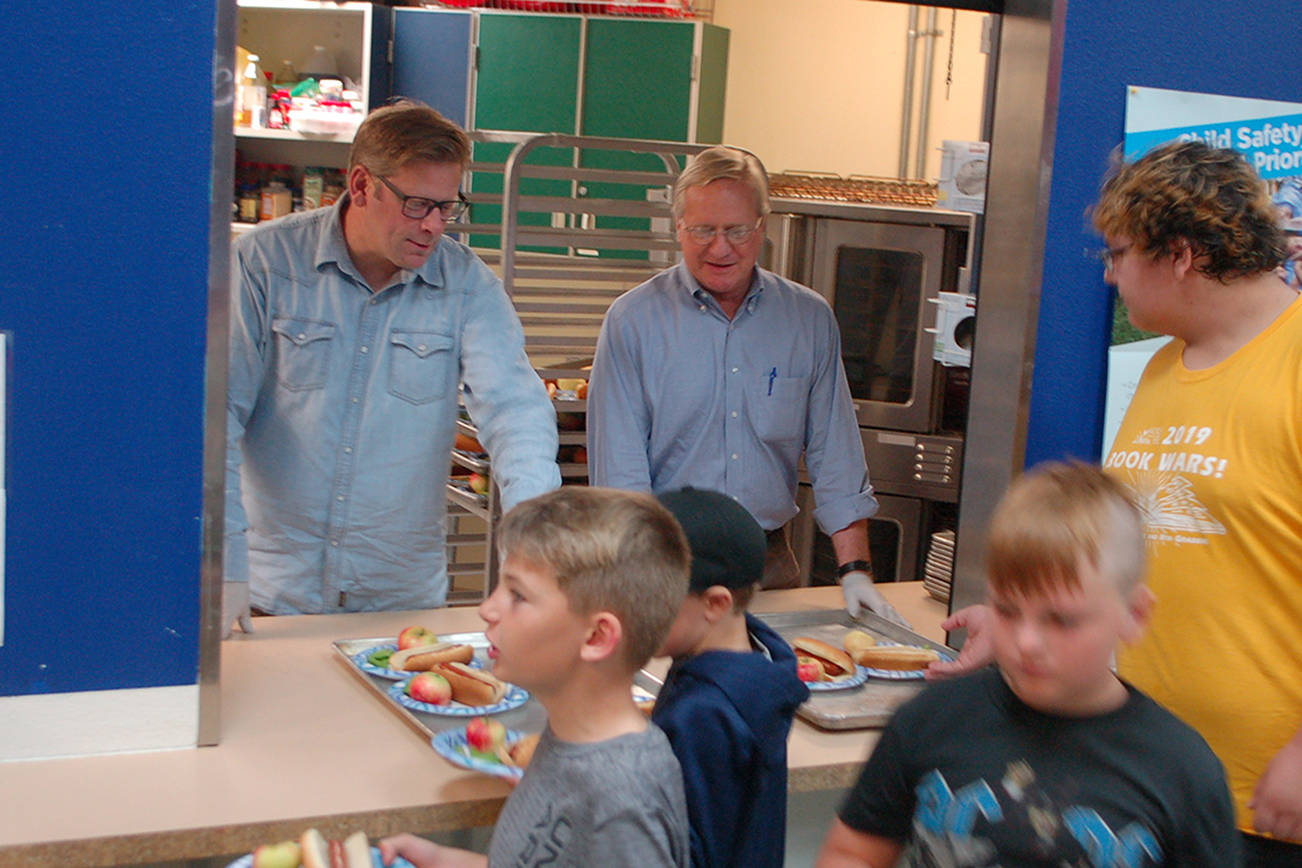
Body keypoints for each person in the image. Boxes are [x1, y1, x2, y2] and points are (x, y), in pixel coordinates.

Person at [935, 141, 1302, 865]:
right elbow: (1124, 552)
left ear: (1182, 255)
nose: (1108, 273)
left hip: (1264, 798)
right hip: (1141, 772)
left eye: (1119, 251)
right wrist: (1027, 623)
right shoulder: (1166, 364)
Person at [224, 100, 560, 631]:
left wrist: (536, 550)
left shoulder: (466, 285)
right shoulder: (266, 264)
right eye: (416, 205)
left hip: (400, 603)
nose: (433, 226)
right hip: (273, 594)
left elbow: (517, 414)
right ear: (361, 185)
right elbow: (216, 416)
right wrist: (223, 568)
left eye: (447, 209)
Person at [816, 461, 1239, 867]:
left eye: (1061, 619)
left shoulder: (1184, 772)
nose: (1027, 642)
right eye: (1007, 610)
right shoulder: (927, 722)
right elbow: (853, 853)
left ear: (1134, 615)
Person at [586, 145, 904, 625]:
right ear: (678, 229)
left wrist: (855, 571)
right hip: (666, 562)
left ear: (763, 226)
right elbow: (621, 481)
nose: (720, 248)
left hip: (768, 566)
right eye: (702, 231)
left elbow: (835, 454)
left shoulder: (808, 319)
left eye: (736, 230)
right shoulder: (633, 322)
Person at [379, 486, 691, 868]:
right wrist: (438, 859)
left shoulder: (621, 799)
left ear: (596, 637)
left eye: (517, 595)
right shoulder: (567, 737)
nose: (487, 608)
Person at [652, 487, 810, 868]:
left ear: (715, 603)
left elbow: (678, 853)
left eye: (649, 594)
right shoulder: (758, 666)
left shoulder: (702, 715)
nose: (628, 607)